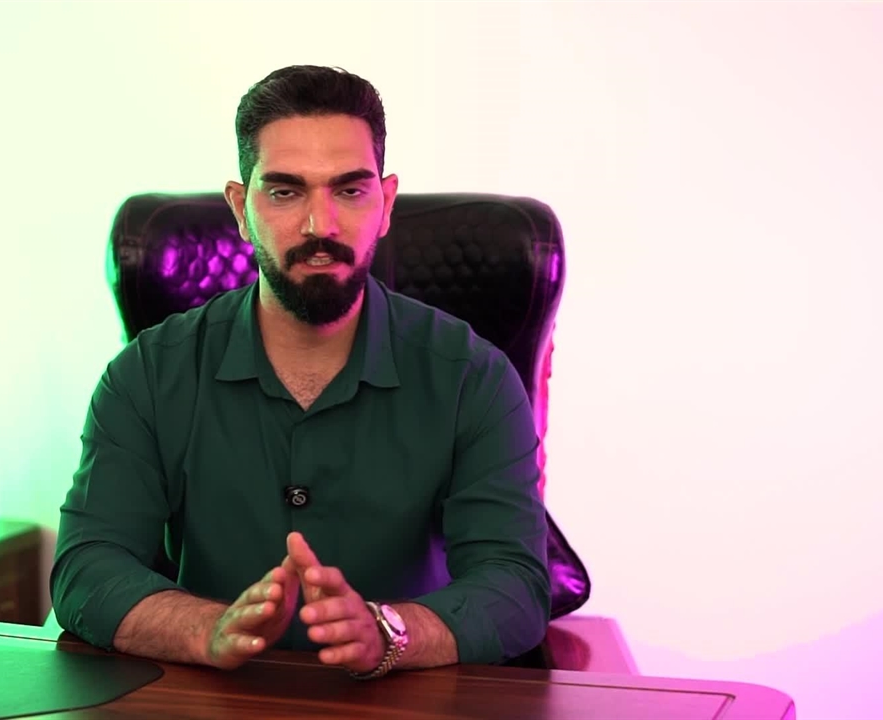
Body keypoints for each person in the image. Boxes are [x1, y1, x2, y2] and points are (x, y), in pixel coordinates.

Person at [50, 65, 551, 679]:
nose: (321, 226)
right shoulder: (148, 374)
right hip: (212, 700)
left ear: (386, 204)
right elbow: (86, 570)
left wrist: (389, 633)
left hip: (404, 701)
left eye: (350, 191)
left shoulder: (474, 378)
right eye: (286, 192)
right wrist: (208, 629)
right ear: (241, 209)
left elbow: (516, 585)